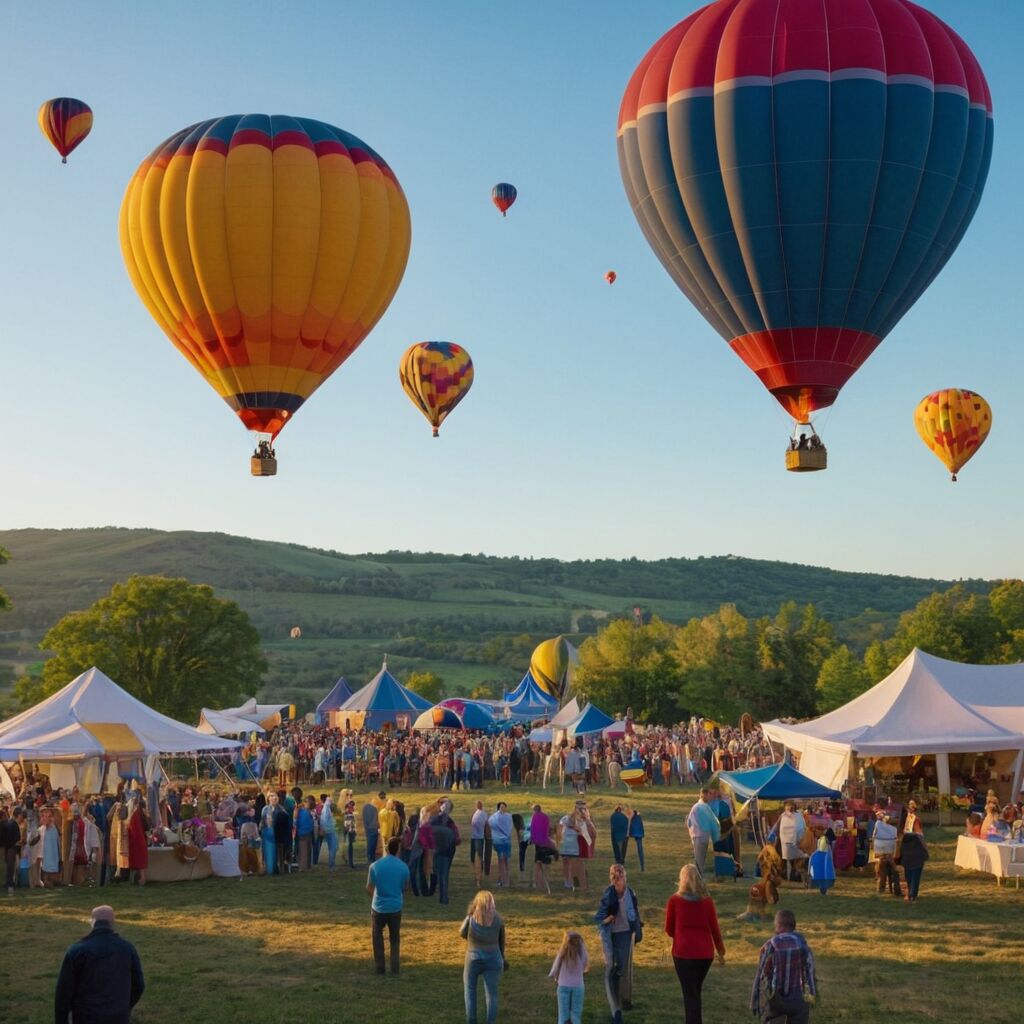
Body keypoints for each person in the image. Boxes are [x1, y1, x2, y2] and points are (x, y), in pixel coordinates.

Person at [54, 905, 145, 1024]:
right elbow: (139, 985)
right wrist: (124, 1007)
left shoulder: (77, 951)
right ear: (113, 923)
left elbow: (63, 993)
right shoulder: (127, 948)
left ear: (92, 922)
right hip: (118, 1016)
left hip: (85, 1016)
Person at [664, 864, 725, 1024]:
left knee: (690, 995)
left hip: (683, 954)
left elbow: (669, 929)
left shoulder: (674, 901)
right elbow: (715, 928)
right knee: (695, 991)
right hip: (705, 955)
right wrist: (721, 950)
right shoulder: (707, 902)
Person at [594, 863, 643, 1024]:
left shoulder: (630, 894)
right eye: (613, 877)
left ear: (625, 878)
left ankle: (622, 999)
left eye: (620, 876)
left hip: (624, 933)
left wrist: (637, 932)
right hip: (609, 934)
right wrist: (606, 919)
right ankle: (615, 1010)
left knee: (620, 968)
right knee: (610, 968)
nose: (617, 880)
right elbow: (598, 919)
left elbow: (635, 914)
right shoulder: (608, 894)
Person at [750, 909, 817, 1024]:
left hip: (777, 999)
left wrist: (754, 1001)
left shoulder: (771, 944)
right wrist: (812, 995)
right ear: (793, 926)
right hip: (798, 999)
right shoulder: (802, 944)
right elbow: (810, 971)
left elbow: (760, 975)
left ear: (778, 925)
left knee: (771, 1016)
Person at [460, 890, 506, 1024]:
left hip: (473, 957)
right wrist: (503, 957)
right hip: (493, 958)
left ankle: (472, 1020)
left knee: (470, 990)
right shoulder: (498, 920)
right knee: (492, 995)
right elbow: (501, 941)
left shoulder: (471, 918)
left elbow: (461, 933)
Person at [366, 836, 410, 975]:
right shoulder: (403, 867)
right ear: (398, 849)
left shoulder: (375, 866)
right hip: (395, 907)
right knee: (395, 939)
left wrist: (376, 896)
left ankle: (380, 967)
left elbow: (369, 887)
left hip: (378, 907)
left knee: (377, 937)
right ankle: (395, 968)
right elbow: (405, 888)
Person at [549, 928, 589, 1024]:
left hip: (563, 986)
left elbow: (555, 968)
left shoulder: (562, 954)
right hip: (578, 986)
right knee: (576, 1013)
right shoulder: (581, 954)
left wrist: (556, 978)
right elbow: (585, 963)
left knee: (563, 1015)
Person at [686, 791, 720, 879]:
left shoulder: (699, 806)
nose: (711, 797)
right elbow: (713, 822)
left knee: (699, 860)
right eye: (709, 794)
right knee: (699, 861)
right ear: (704, 794)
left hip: (698, 836)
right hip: (701, 836)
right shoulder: (702, 807)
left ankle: (698, 880)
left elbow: (688, 822)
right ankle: (698, 880)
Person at [871, 812, 900, 897]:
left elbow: (873, 837)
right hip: (890, 857)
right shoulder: (894, 830)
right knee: (895, 873)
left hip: (882, 856)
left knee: (881, 873)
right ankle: (896, 890)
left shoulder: (879, 826)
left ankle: (880, 890)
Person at [896, 830, 929, 902]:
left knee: (909, 878)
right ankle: (913, 895)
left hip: (907, 860)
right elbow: (924, 847)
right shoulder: (918, 837)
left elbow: (900, 850)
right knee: (915, 878)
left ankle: (909, 894)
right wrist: (926, 856)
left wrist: (900, 860)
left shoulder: (904, 839)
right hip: (918, 860)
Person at [777, 803, 806, 882]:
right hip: (785, 840)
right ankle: (784, 875)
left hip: (795, 840)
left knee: (794, 859)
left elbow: (802, 828)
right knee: (785, 859)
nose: (790, 807)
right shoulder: (783, 815)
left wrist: (800, 839)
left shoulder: (798, 816)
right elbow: (778, 827)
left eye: (791, 805)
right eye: (788, 805)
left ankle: (795, 875)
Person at [488, 801, 513, 889]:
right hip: (499, 842)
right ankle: (503, 879)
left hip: (506, 841)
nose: (503, 808)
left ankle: (504, 879)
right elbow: (491, 824)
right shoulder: (495, 817)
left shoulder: (508, 816)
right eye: (501, 807)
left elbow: (509, 827)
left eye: (504, 807)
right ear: (498, 808)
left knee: (505, 861)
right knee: (501, 860)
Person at [0, 808, 20, 895]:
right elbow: (16, 838)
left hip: (7, 847)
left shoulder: (6, 824)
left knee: (8, 867)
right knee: (9, 867)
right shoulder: (11, 824)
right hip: (10, 847)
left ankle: (8, 884)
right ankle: (9, 885)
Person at [471, 800, 489, 887]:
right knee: (478, 857)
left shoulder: (477, 814)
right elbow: (486, 825)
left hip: (477, 838)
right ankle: (478, 876)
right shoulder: (483, 814)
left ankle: (478, 877)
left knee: (477, 857)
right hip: (478, 838)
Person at [624, 807, 645, 873]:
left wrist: (627, 834)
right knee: (640, 849)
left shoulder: (631, 817)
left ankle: (621, 863)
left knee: (624, 847)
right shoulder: (638, 816)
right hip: (639, 834)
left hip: (634, 833)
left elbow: (629, 824)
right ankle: (642, 866)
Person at [363, 796, 380, 864]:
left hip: (368, 828)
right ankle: (371, 858)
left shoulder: (365, 807)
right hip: (373, 828)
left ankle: (370, 858)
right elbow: (376, 819)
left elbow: (365, 819)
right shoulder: (374, 809)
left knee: (370, 844)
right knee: (373, 845)